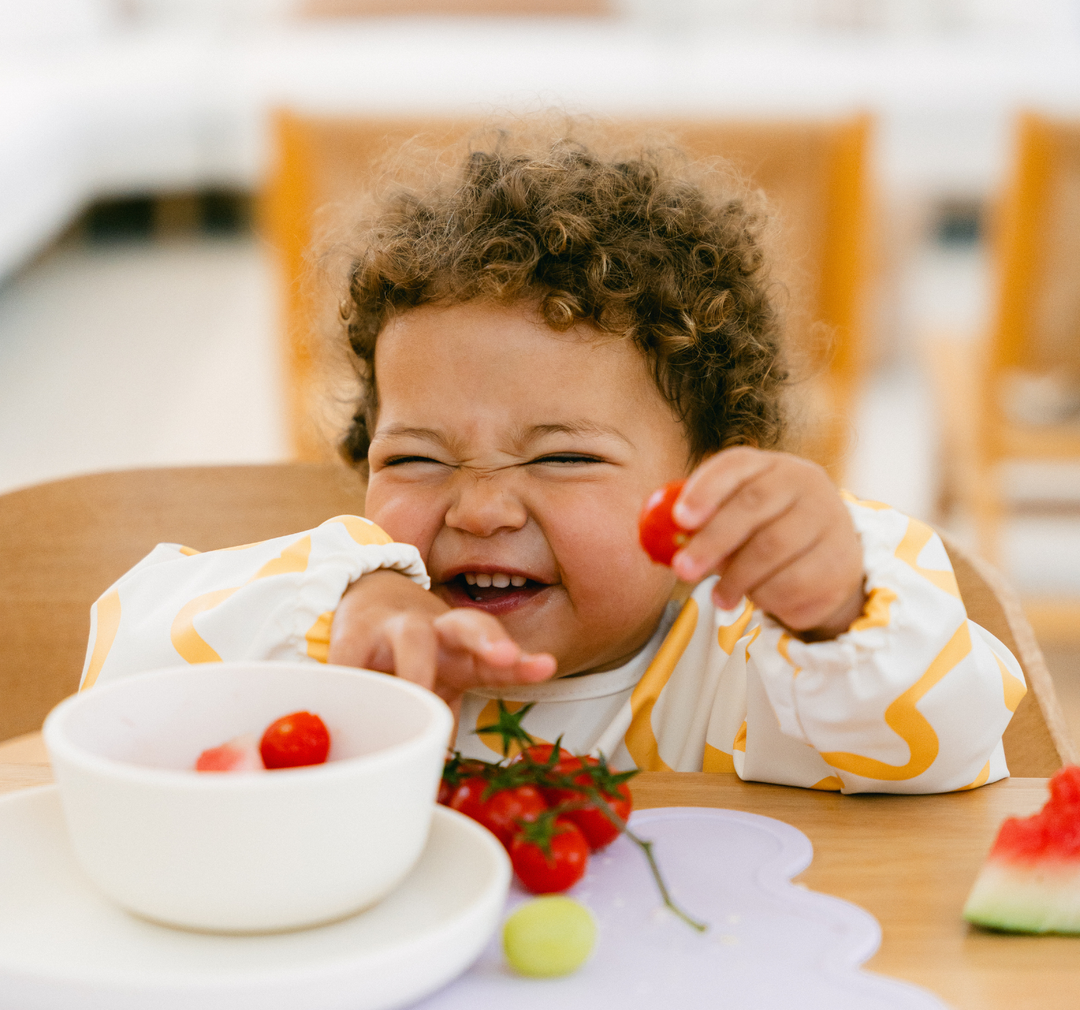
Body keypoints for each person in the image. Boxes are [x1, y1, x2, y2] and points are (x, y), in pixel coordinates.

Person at [80, 124, 1024, 793]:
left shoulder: (755, 656)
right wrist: (345, 613)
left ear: (708, 480)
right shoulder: (336, 624)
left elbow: (954, 752)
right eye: (416, 457)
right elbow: (116, 677)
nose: (481, 510)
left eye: (565, 458)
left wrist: (833, 611)